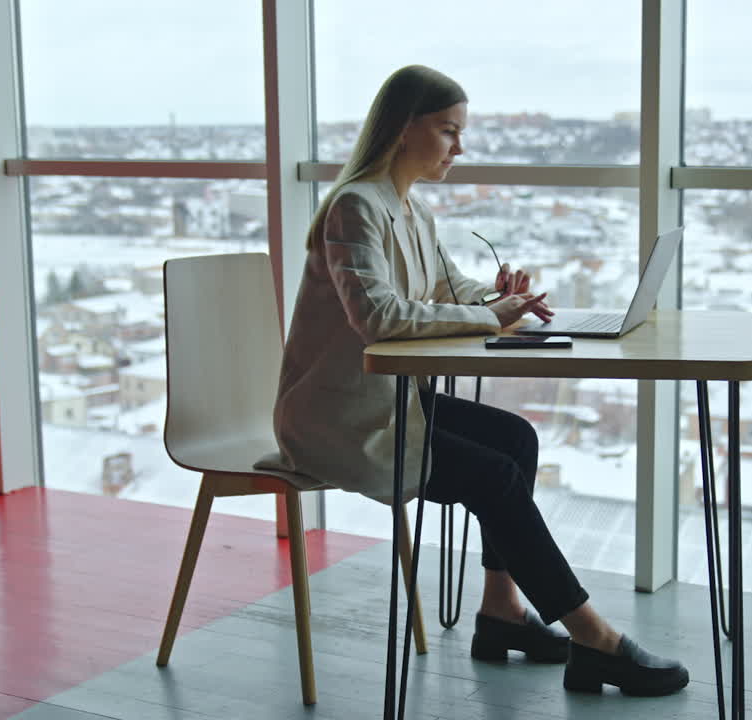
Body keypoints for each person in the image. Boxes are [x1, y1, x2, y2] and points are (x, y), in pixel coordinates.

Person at [262, 64, 688, 697]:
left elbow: (441, 288)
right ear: (404, 129)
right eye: (448, 131)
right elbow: (376, 315)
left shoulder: (409, 207)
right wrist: (490, 315)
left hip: (390, 402)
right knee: (494, 475)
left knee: (515, 440)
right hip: (338, 421)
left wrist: (497, 296)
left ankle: (502, 613)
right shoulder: (355, 208)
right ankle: (594, 638)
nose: (459, 147)